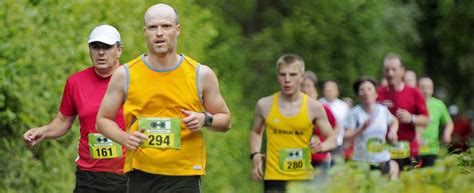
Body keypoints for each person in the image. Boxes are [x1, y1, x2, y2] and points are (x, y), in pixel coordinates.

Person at [96, 4, 231, 193]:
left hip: (184, 175)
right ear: (145, 32)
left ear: (177, 30)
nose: (159, 33)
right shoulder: (125, 74)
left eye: (166, 26)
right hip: (141, 173)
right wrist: (125, 138)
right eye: (153, 27)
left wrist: (205, 119)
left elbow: (225, 120)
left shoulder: (201, 74)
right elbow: (102, 120)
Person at [23, 25, 127, 193]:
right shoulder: (76, 82)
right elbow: (63, 121)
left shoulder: (133, 80)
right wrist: (43, 131)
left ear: (119, 49)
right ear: (89, 50)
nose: (101, 53)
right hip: (89, 174)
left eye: (107, 47)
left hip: (127, 173)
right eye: (95, 47)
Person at [249, 54, 337, 193]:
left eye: (293, 74)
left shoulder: (313, 107)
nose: (287, 80)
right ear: (277, 76)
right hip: (274, 177)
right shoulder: (265, 104)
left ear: (302, 77)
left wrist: (322, 146)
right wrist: (255, 154)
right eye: (282, 75)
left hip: (303, 177)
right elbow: (256, 132)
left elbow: (332, 139)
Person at [377, 53, 429, 171]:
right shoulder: (378, 93)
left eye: (394, 70)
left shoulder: (414, 92)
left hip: (409, 149)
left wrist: (411, 118)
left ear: (402, 71)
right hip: (385, 149)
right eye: (387, 70)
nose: (390, 73)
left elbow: (426, 120)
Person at [345, 76, 399, 180]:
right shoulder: (354, 114)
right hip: (362, 162)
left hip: (382, 160)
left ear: (376, 93)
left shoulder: (383, 110)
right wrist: (361, 128)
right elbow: (347, 137)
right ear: (358, 95)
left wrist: (393, 131)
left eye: (369, 89)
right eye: (362, 90)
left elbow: (394, 121)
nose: (366, 92)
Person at [301, 71, 338, 179]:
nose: (305, 89)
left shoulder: (322, 108)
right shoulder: (293, 109)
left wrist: (327, 144)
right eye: (302, 86)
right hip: (299, 159)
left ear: (314, 88)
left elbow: (336, 126)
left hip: (319, 157)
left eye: (308, 86)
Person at [417, 77, 453, 167]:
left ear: (432, 89)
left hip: (432, 151)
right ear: (417, 88)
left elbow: (449, 122)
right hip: (415, 150)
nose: (426, 91)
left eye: (429, 88)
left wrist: (447, 134)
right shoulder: (412, 103)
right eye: (423, 87)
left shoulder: (438, 104)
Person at [319, 80, 350, 162]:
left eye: (332, 90)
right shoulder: (318, 104)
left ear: (337, 91)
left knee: (337, 169)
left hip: (339, 142)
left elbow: (347, 125)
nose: (329, 92)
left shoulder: (344, 106)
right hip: (322, 143)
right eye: (327, 90)